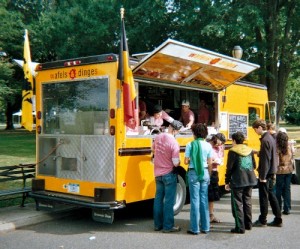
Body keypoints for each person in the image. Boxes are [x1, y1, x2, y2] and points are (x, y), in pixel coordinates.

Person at [152, 120, 183, 233]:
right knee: (169, 201)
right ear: (175, 130)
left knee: (158, 199)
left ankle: (157, 225)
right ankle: (168, 226)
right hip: (168, 174)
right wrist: (179, 163)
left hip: (157, 174)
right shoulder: (174, 143)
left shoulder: (158, 137)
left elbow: (153, 149)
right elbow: (175, 162)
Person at [225, 132, 257, 234]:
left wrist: (227, 181)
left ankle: (240, 227)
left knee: (237, 204)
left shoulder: (232, 151)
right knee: (247, 202)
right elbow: (254, 165)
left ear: (234, 140)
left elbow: (229, 168)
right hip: (250, 179)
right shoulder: (250, 150)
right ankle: (248, 224)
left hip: (238, 180)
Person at [252, 119, 282, 227]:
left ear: (260, 127)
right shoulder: (270, 137)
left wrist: (262, 176)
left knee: (264, 197)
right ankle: (278, 218)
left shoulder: (265, 140)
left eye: (255, 129)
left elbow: (265, 160)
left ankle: (262, 219)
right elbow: (269, 155)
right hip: (272, 170)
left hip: (266, 172)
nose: (255, 132)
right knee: (271, 195)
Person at [184, 123, 213, 235]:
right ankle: (205, 227)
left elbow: (186, 161)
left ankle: (195, 228)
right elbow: (210, 163)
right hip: (205, 172)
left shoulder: (190, 145)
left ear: (194, 133)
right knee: (204, 199)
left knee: (194, 200)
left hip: (193, 173)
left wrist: (193, 159)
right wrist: (209, 175)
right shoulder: (208, 145)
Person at [208, 133, 226, 224]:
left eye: (221, 143)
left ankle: (211, 215)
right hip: (207, 172)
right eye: (219, 142)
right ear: (215, 138)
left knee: (212, 196)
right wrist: (213, 161)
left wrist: (219, 161)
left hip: (215, 171)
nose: (220, 145)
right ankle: (205, 217)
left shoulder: (220, 147)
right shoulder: (207, 146)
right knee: (206, 195)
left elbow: (221, 158)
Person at [275, 130, 294, 215]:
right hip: (289, 169)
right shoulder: (289, 146)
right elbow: (293, 155)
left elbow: (276, 160)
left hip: (280, 170)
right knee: (287, 189)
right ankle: (287, 208)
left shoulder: (277, 148)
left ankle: (278, 207)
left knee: (278, 189)